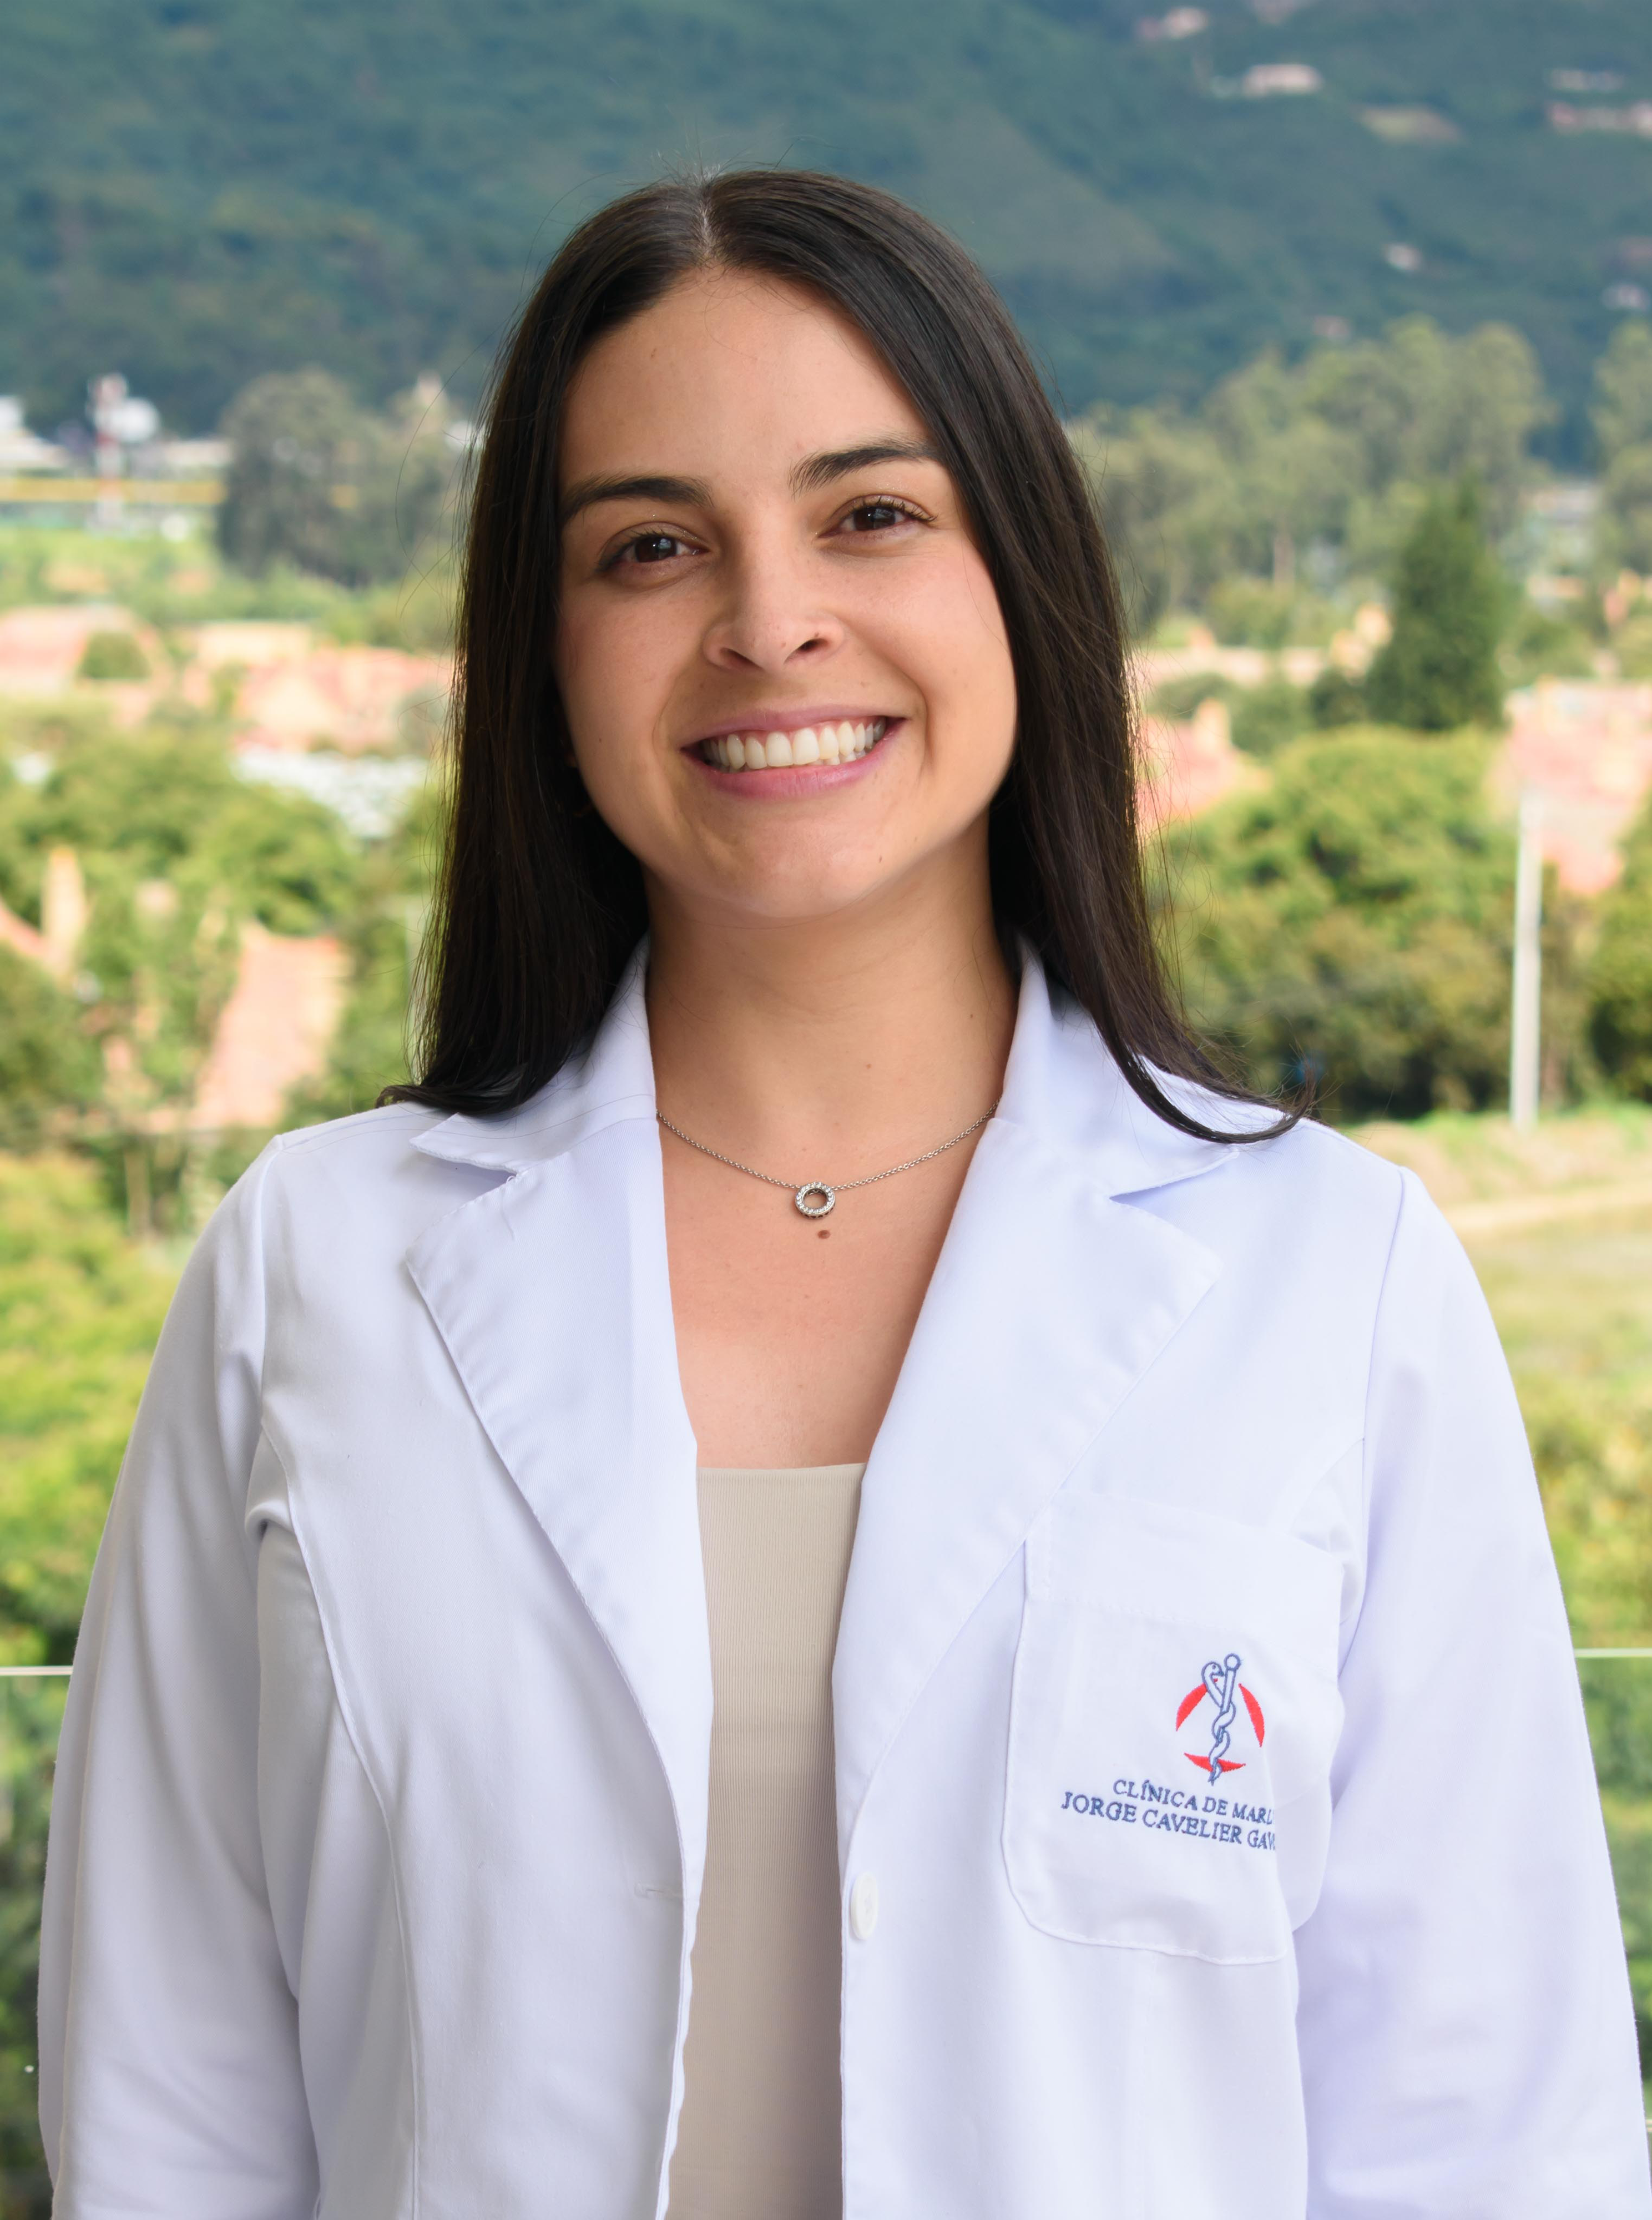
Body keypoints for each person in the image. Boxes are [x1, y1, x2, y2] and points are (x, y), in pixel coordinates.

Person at [39, 170, 1649, 2220]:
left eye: (871, 514)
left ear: (1023, 580)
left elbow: (1491, 2148)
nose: (768, 620)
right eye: (650, 546)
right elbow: (166, 2117)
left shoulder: (1333, 1285)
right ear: (541, 653)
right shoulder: (315, 1271)